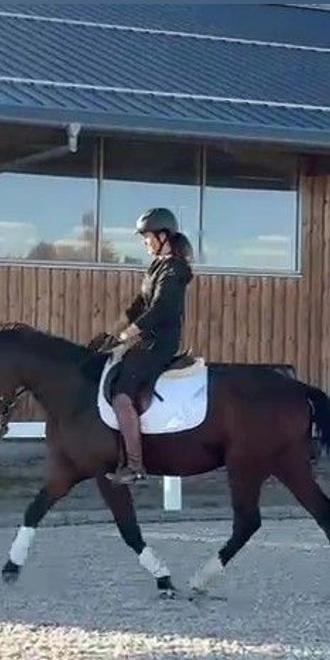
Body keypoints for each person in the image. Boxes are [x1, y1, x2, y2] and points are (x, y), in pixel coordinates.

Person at [104, 207, 195, 486]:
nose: (144, 242)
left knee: (121, 397)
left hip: (159, 344)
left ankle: (134, 465)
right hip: (146, 340)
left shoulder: (174, 269)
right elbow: (138, 306)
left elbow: (161, 308)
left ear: (163, 236)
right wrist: (112, 333)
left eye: (147, 237)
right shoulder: (156, 266)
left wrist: (129, 333)